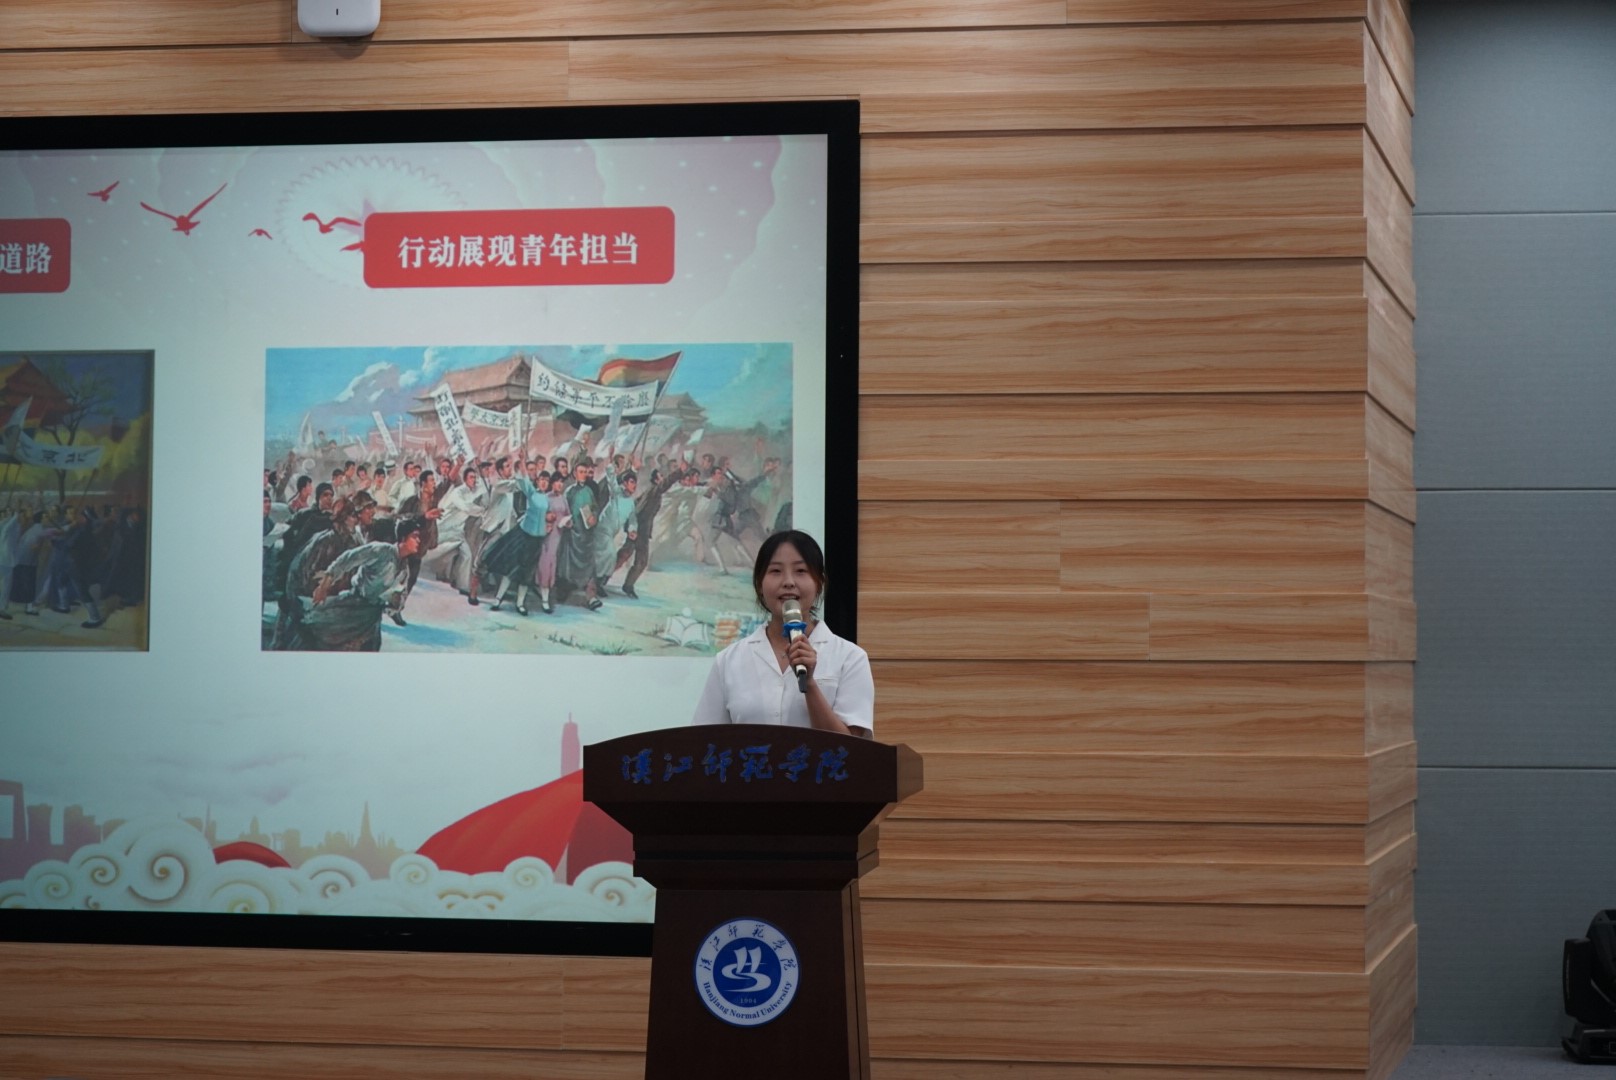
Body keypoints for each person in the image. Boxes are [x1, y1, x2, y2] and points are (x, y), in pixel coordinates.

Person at [690, 530, 873, 738]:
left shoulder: (850, 658)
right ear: (759, 584)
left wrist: (809, 684)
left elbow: (852, 749)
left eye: (801, 571)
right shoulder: (728, 661)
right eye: (776, 571)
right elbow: (703, 742)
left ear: (819, 583)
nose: (788, 582)